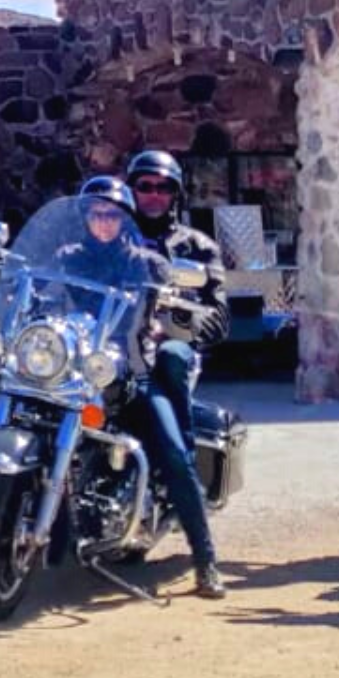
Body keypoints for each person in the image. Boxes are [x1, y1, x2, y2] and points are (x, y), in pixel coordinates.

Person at [59, 176, 229, 599]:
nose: (103, 222)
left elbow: (175, 307)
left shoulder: (147, 262)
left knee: (172, 448)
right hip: (75, 372)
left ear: (124, 218)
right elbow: (39, 294)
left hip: (132, 373)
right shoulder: (66, 258)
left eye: (112, 214)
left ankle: (205, 559)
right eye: (96, 213)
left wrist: (175, 318)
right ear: (85, 216)